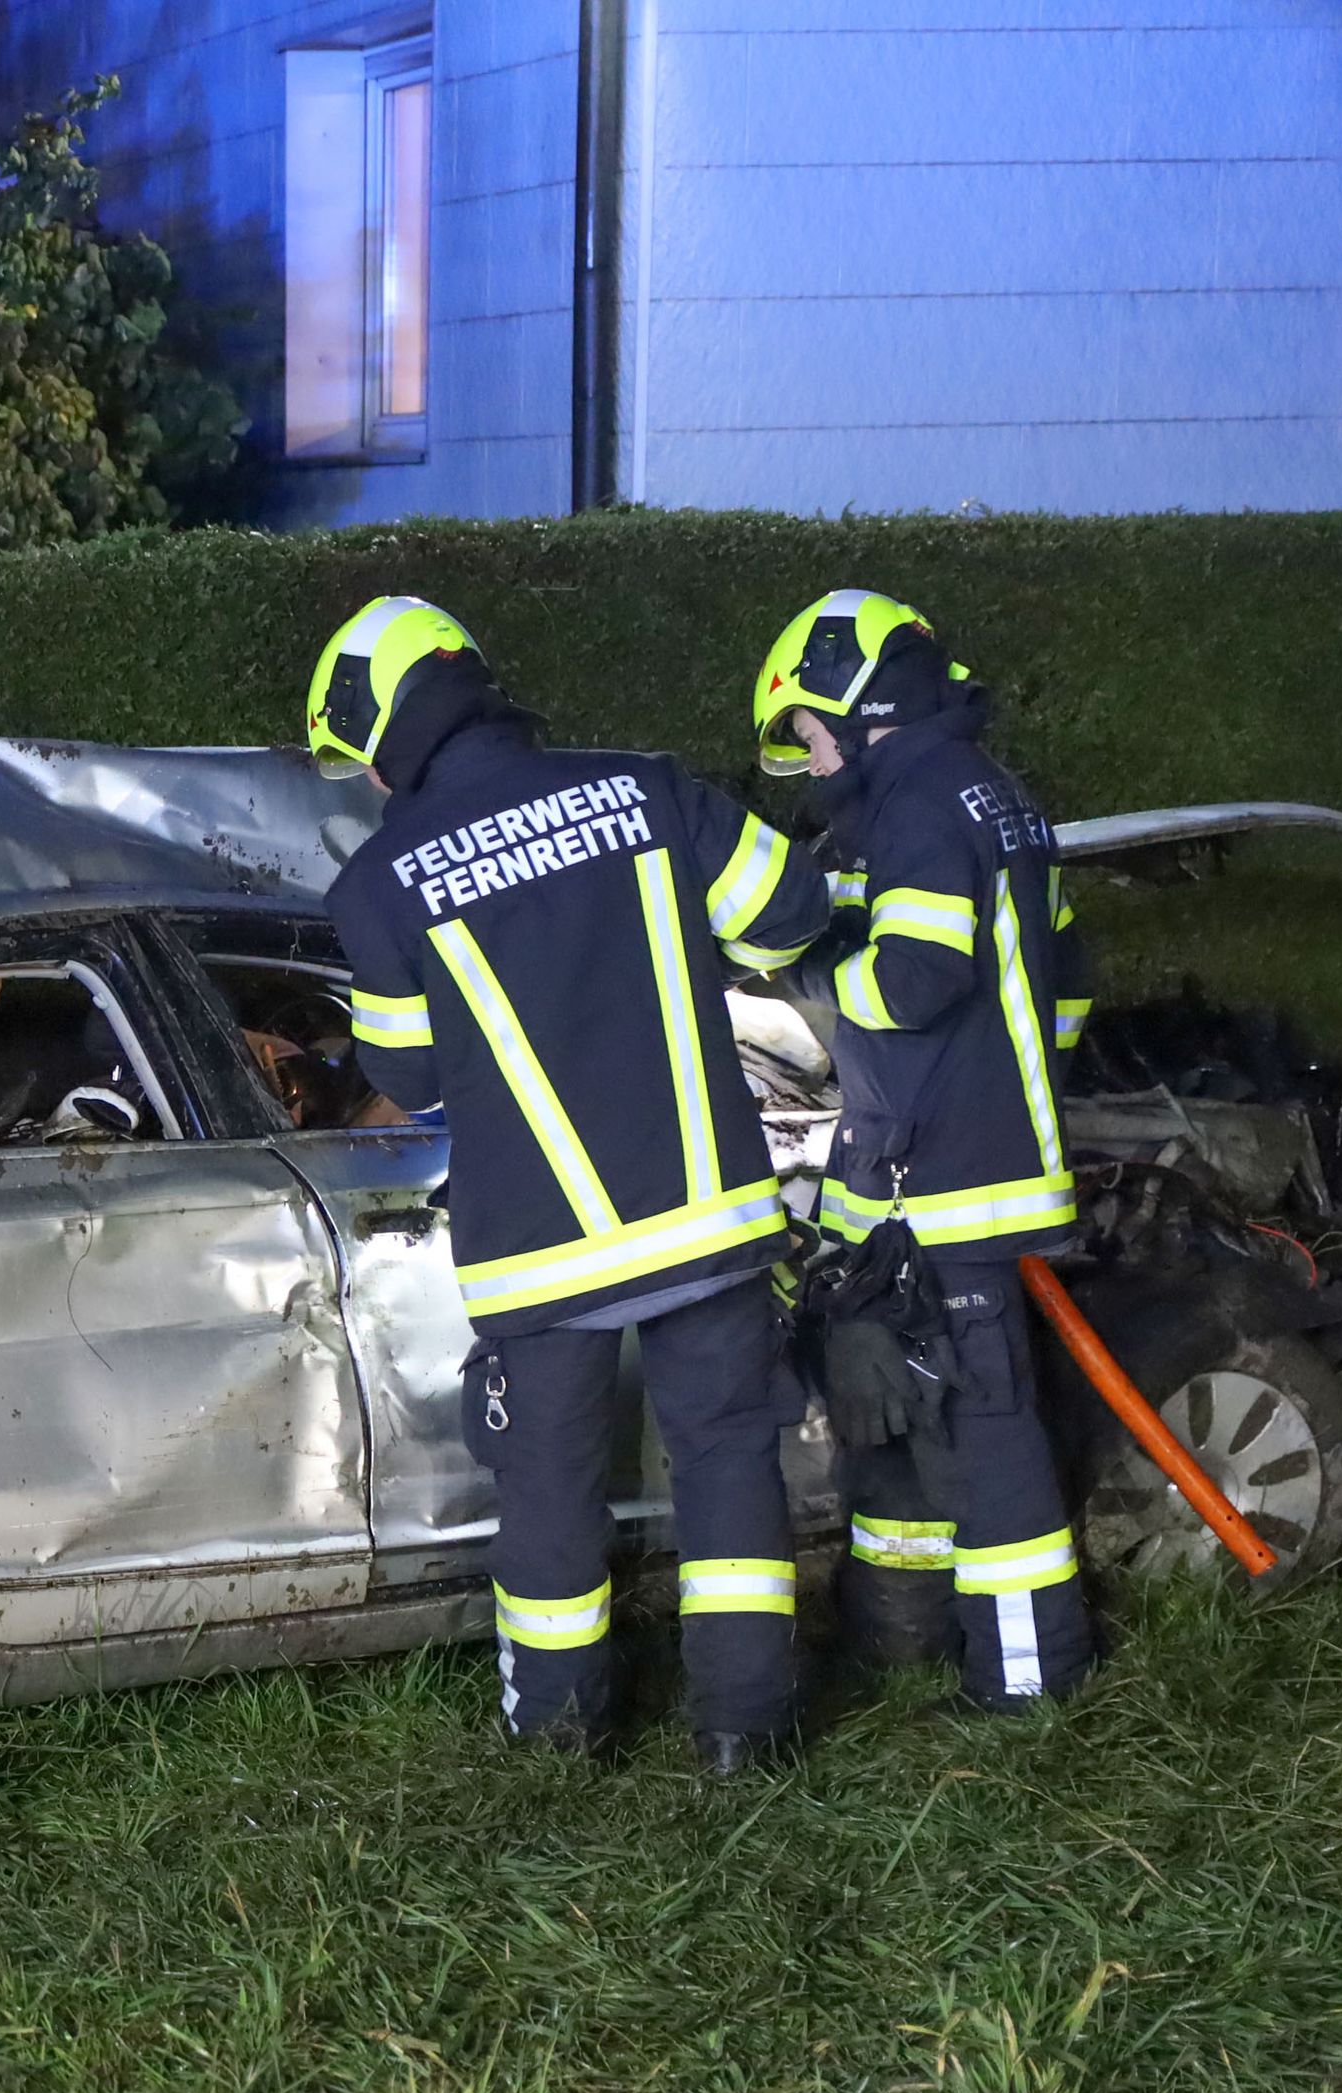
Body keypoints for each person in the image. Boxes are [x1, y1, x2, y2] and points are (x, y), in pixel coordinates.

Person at [315, 595, 837, 1769]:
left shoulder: (380, 881)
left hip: (544, 1249)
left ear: (385, 732)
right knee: (724, 1467)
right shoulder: (646, 788)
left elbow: (409, 1073)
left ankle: (558, 1741)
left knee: (548, 1494)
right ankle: (743, 1736)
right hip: (707, 1215)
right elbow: (789, 912)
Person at [750, 589, 1097, 1710]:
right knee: (894, 1416)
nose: (805, 758)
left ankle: (1029, 1688)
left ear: (856, 703)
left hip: (954, 1182)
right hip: (941, 1164)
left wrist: (804, 979)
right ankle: (903, 1641)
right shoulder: (994, 800)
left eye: (804, 729)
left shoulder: (917, 806)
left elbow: (910, 979)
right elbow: (1070, 999)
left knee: (988, 1440)